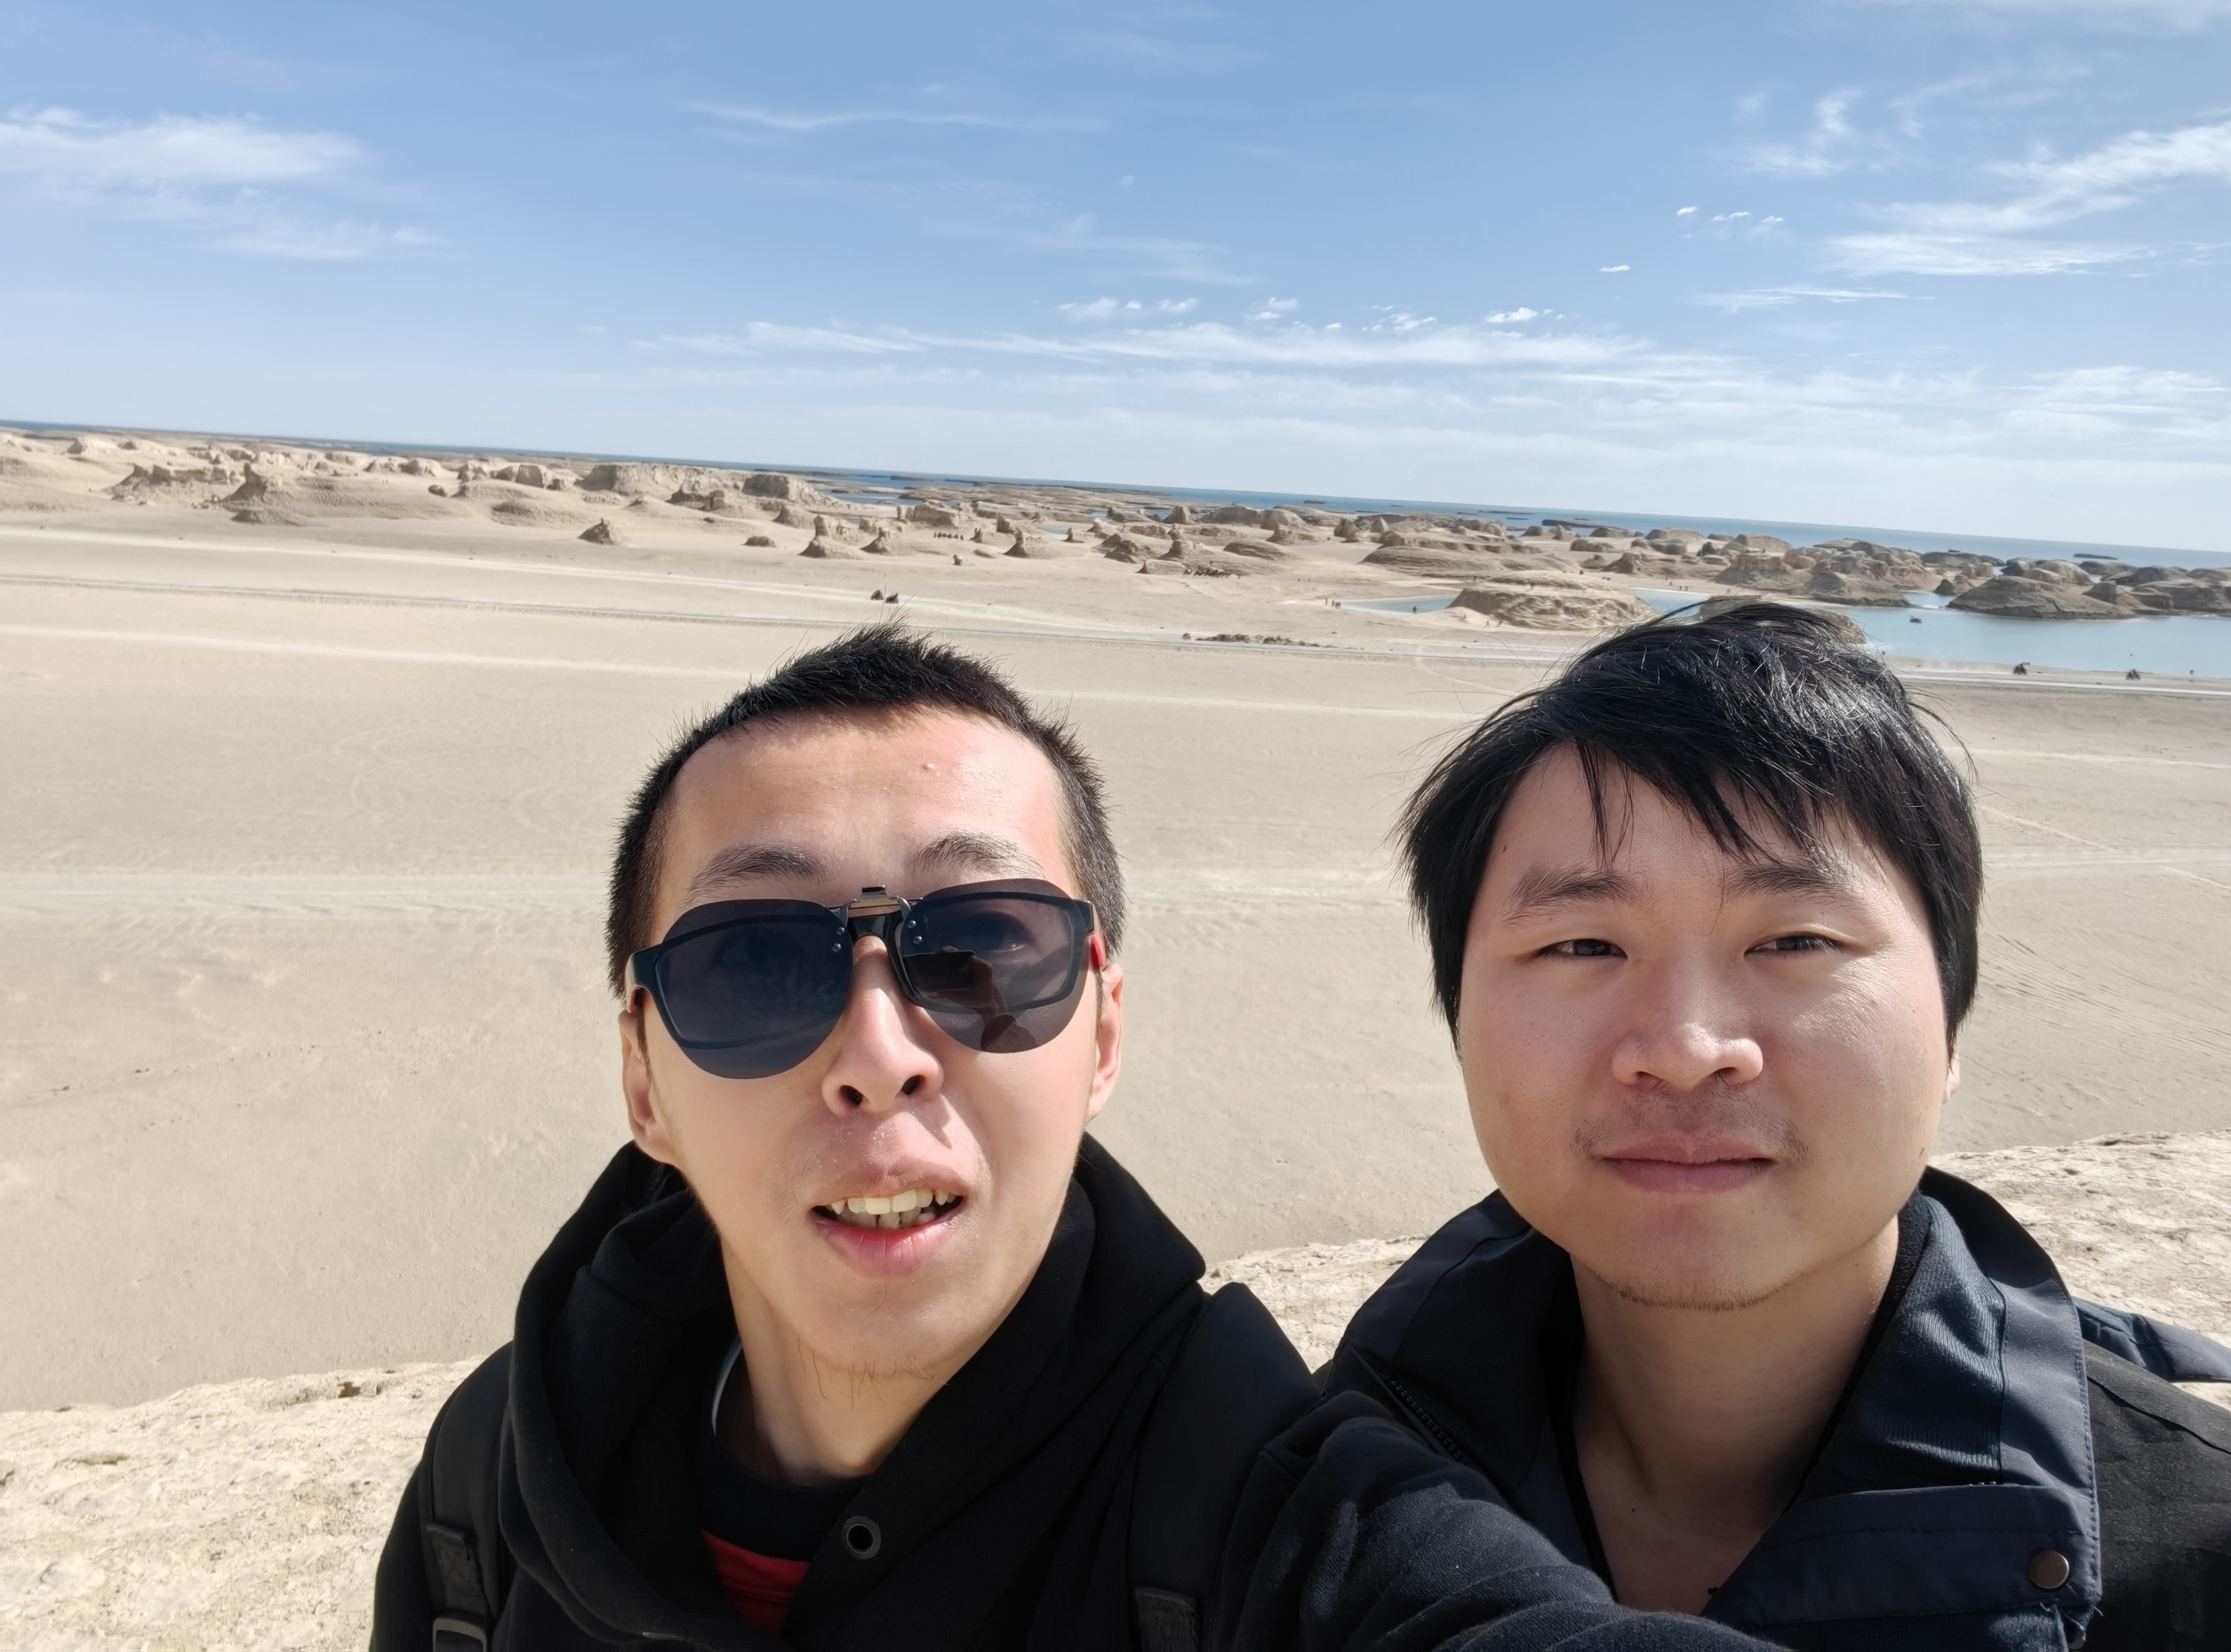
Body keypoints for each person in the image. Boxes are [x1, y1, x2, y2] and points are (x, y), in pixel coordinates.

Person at [372, 625, 1771, 1652]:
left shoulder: (1266, 1514)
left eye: (984, 951)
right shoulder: (498, 1482)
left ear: (1101, 1034)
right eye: (754, 964)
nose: (879, 1054)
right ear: (642, 1078)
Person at [1332, 603, 2231, 1650]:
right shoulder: (1310, 1497)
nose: (1688, 1047)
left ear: (1949, 1026)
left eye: (1796, 939)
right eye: (1582, 946)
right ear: (1461, 1024)